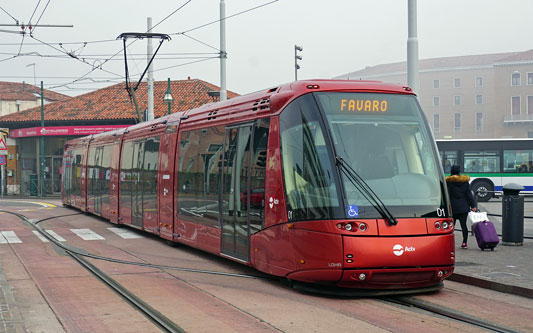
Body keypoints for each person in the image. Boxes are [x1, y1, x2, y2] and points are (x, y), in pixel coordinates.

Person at [446, 165, 477, 249]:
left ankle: (449, 243)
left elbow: (447, 195)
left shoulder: (449, 182)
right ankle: (464, 243)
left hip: (452, 207)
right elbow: (469, 194)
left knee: (451, 226)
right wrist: (473, 205)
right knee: (464, 226)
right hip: (463, 207)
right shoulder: (465, 181)